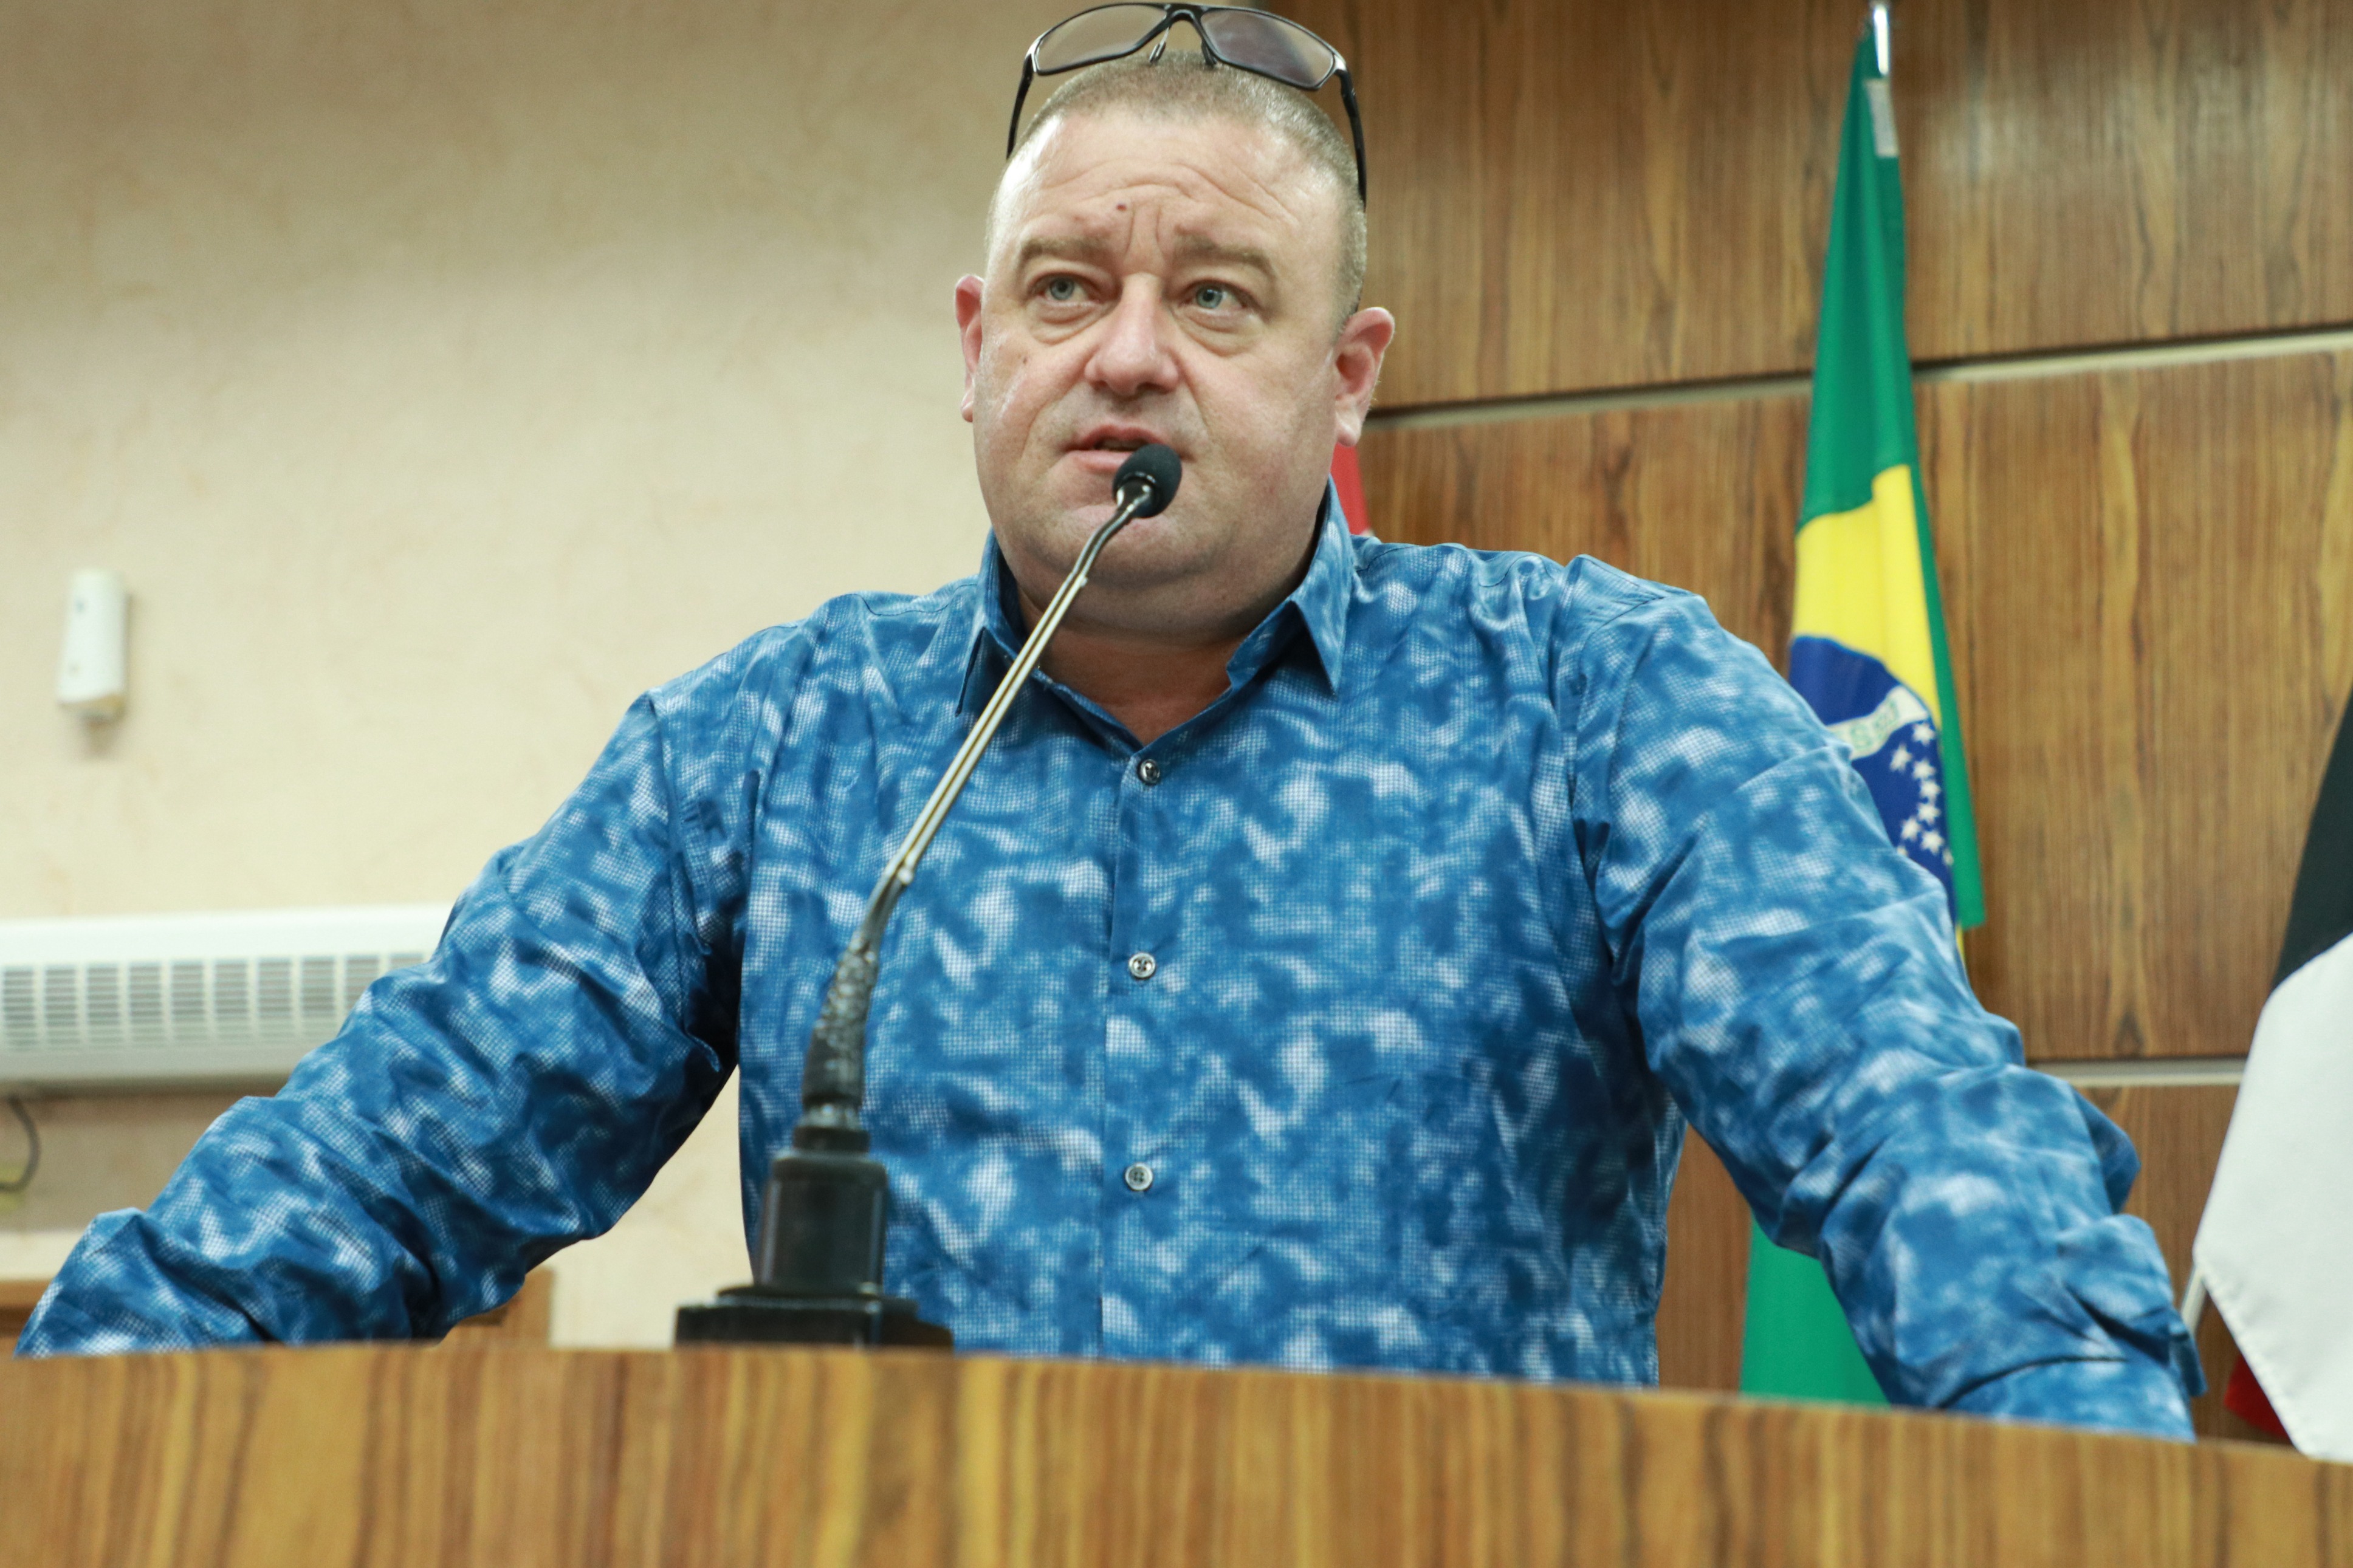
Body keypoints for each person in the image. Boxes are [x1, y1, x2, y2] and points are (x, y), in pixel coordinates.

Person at [18, 15, 2201, 1438]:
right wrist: (74, 1427)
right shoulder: (775, 749)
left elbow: (1920, 1137)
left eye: (1215, 298)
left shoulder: (1596, 700)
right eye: (1068, 290)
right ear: (978, 345)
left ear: (1346, 377)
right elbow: (378, 1168)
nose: (1128, 355)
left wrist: (2099, 1467)